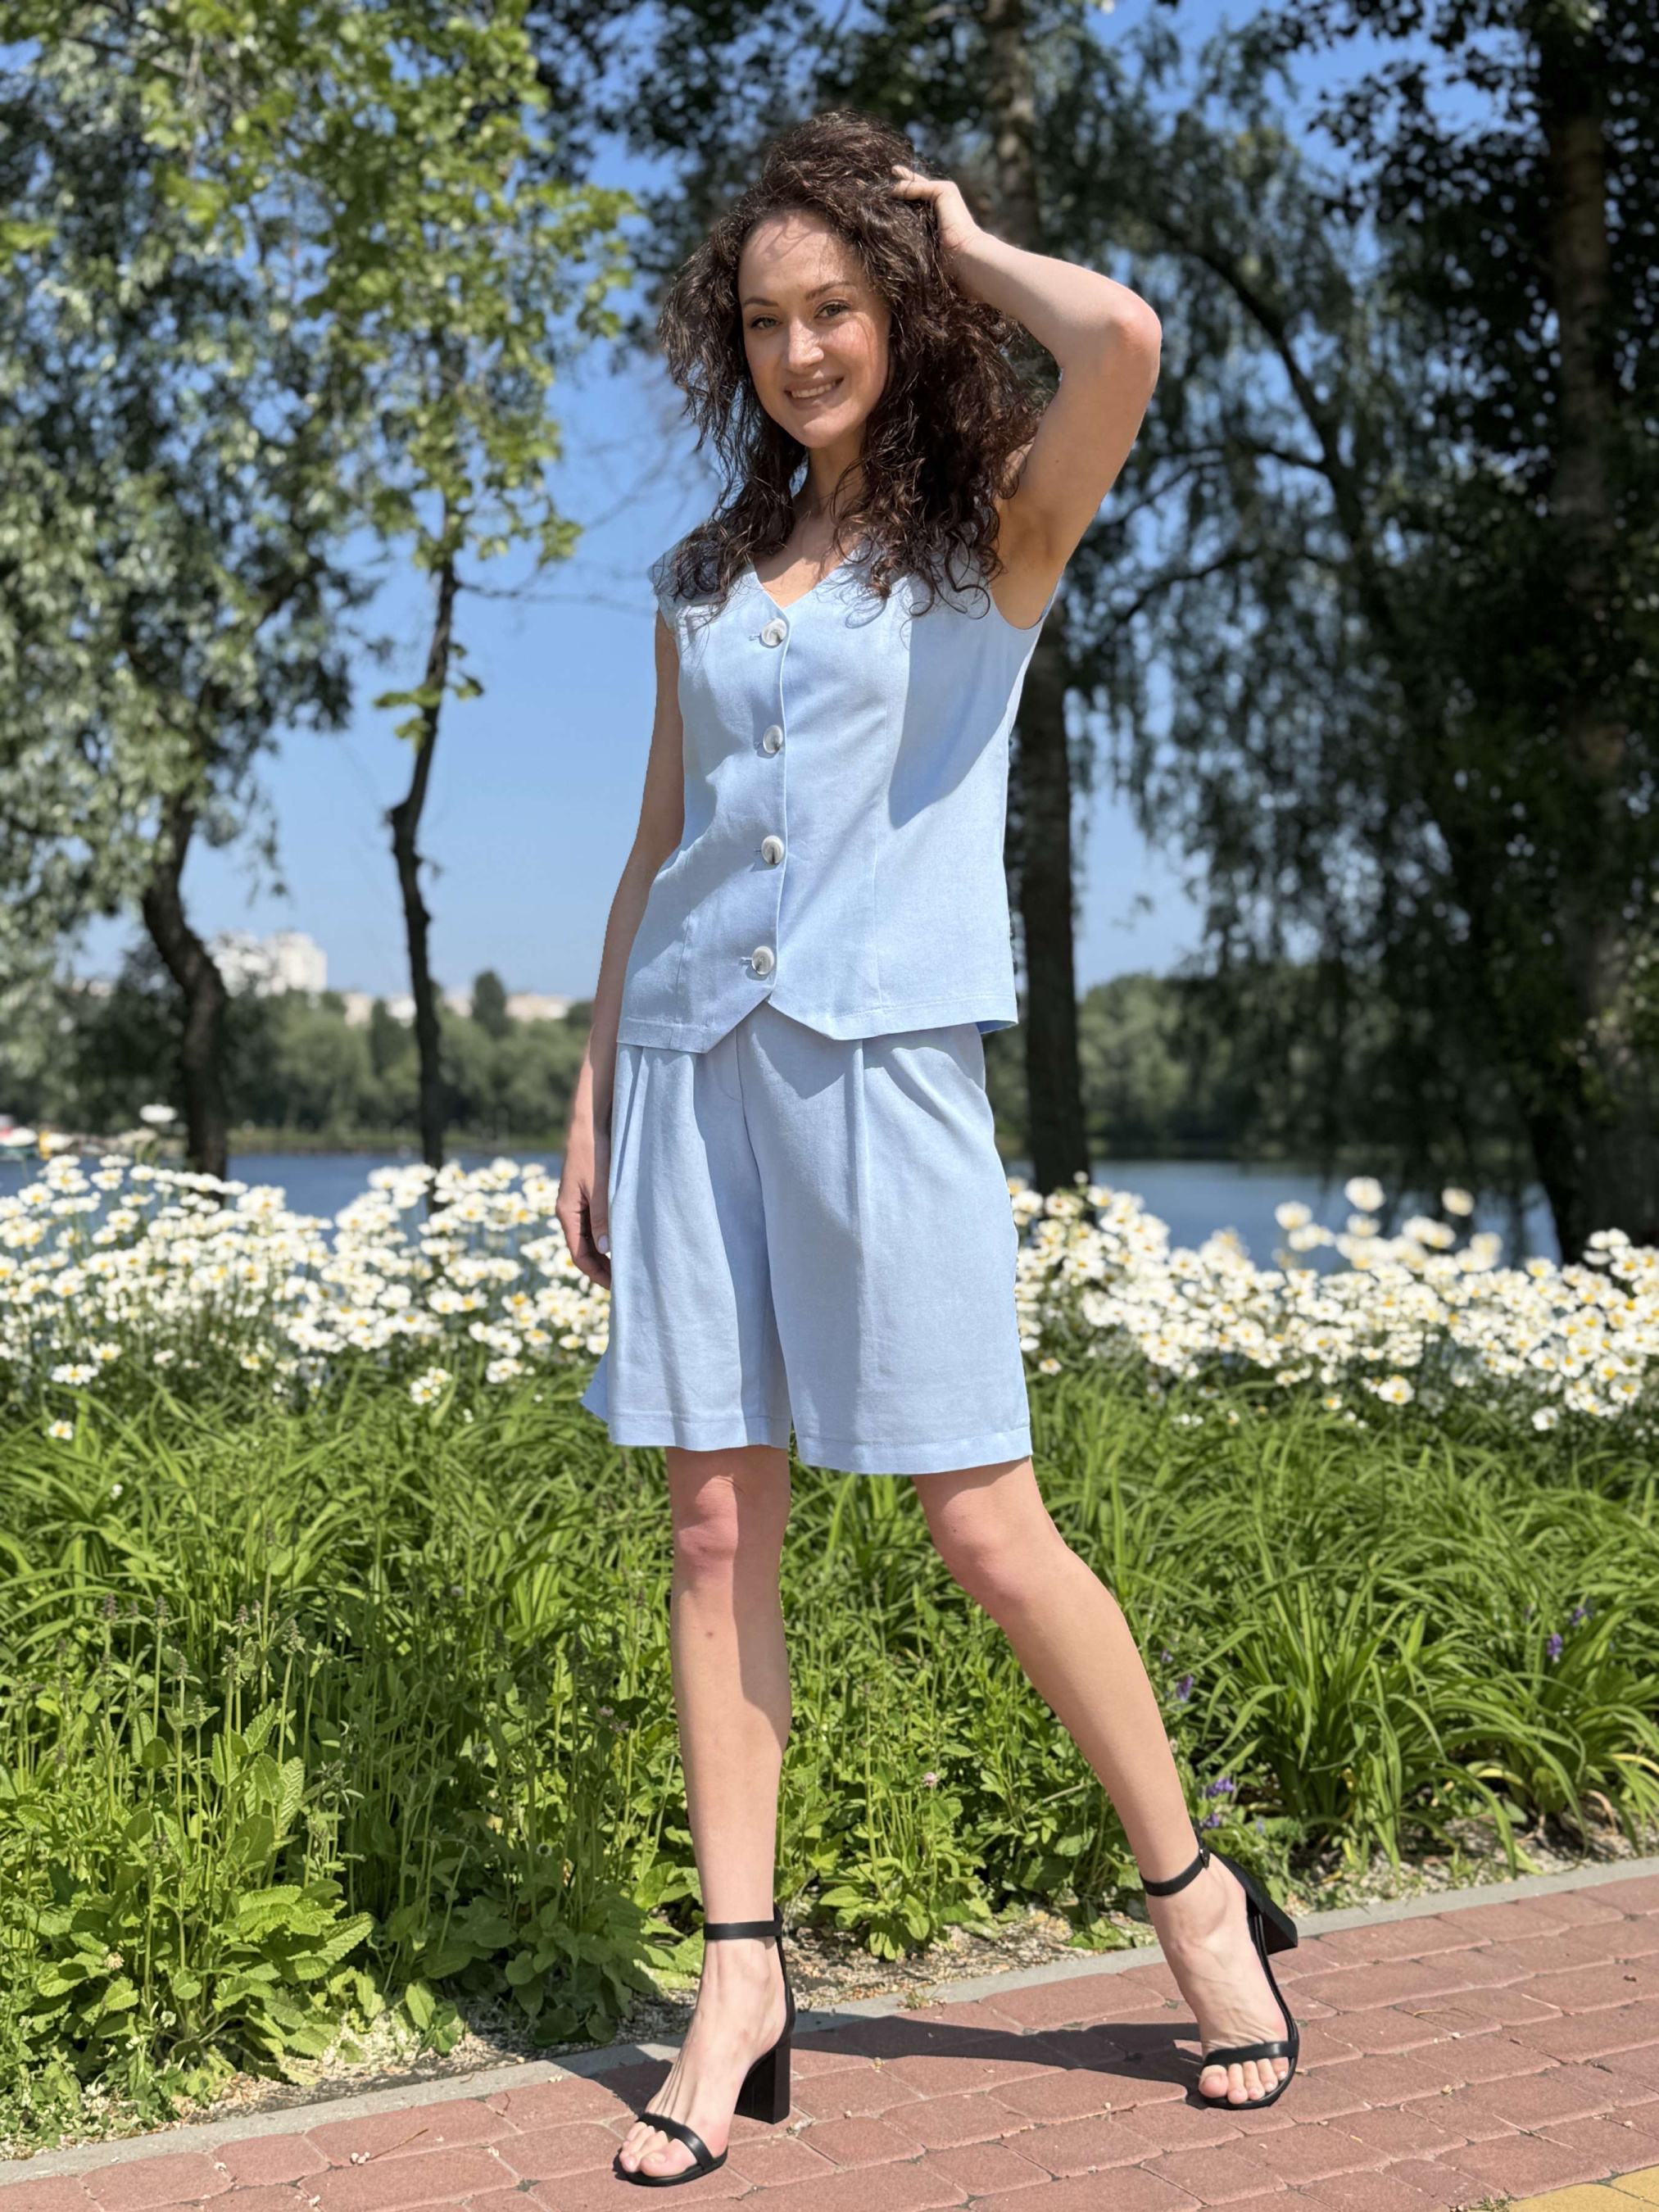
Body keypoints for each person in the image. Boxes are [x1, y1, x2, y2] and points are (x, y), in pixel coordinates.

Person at [555, 107, 1299, 2191]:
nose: (799, 348)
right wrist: (594, 1085)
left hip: (884, 1068)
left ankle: (1194, 1902)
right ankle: (738, 1984)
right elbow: (655, 846)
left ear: (893, 311)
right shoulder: (705, 581)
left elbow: (1122, 341)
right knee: (713, 1529)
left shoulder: (988, 541)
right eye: (763, 319)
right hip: (690, 1067)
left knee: (981, 1520)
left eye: (835, 306)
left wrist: (956, 231)